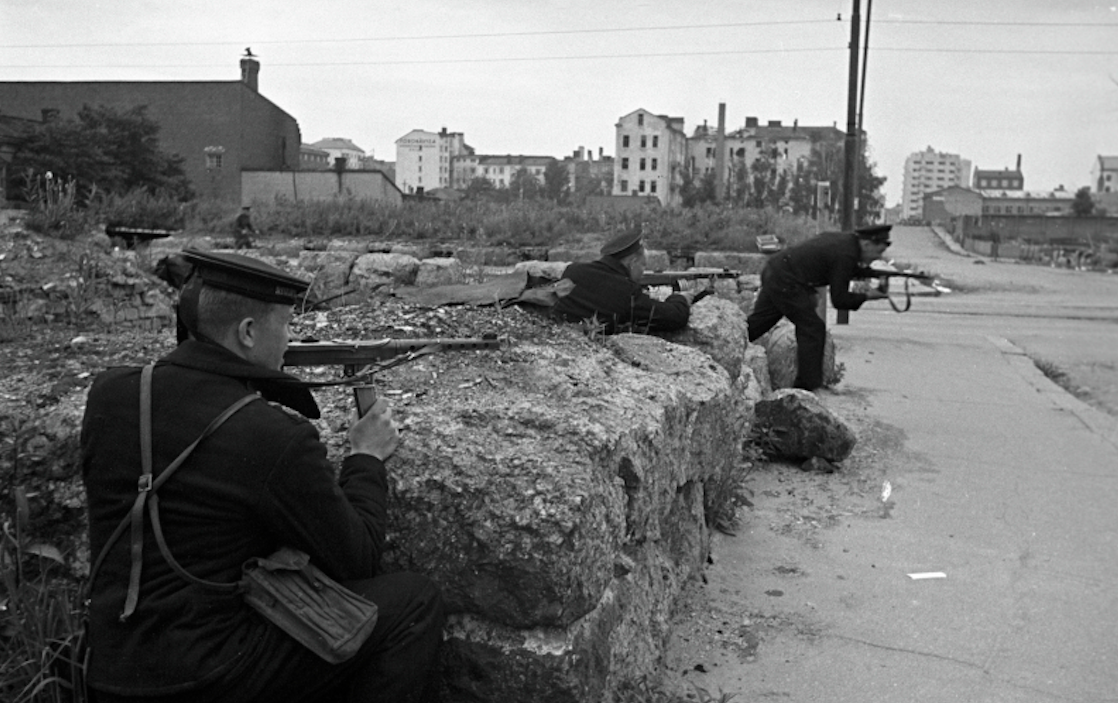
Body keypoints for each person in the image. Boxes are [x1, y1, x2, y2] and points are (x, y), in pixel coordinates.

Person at [80, 249, 445, 703]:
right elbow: (359, 559)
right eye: (287, 325)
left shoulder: (110, 393)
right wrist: (365, 457)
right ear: (248, 332)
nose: (290, 340)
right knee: (414, 602)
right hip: (209, 679)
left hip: (107, 669)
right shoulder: (274, 436)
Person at [746, 224, 893, 391]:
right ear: (867, 244)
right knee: (812, 328)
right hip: (785, 280)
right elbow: (840, 300)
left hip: (776, 270)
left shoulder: (846, 244)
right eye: (878, 252)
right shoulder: (846, 254)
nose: (878, 257)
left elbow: (839, 268)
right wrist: (868, 295)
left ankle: (725, 346)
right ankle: (806, 388)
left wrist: (871, 273)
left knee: (758, 323)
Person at [551, 229, 698, 333]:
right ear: (633, 262)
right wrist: (680, 298)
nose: (643, 272)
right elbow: (674, 317)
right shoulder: (626, 291)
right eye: (643, 265)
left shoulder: (573, 270)